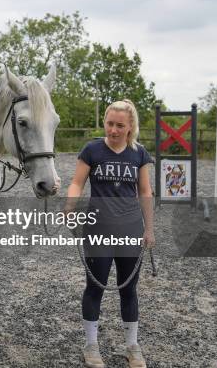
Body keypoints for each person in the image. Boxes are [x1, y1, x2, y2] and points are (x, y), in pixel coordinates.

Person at [66, 99, 154, 368]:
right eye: (109, 124)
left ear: (130, 127)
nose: (113, 130)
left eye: (120, 125)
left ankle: (132, 346)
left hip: (130, 230)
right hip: (98, 230)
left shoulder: (138, 154)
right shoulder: (92, 150)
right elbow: (77, 182)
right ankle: (91, 346)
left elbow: (145, 192)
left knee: (129, 290)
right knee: (95, 288)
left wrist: (149, 229)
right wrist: (69, 205)